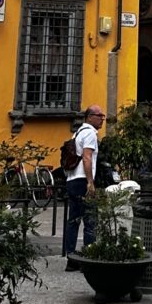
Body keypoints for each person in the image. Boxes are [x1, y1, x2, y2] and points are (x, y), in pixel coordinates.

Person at [63, 104, 104, 268]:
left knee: (73, 220)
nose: (102, 119)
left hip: (72, 180)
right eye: (99, 115)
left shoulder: (77, 133)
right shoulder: (90, 134)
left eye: (102, 116)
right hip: (82, 181)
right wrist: (90, 182)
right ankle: (88, 259)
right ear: (89, 117)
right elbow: (87, 158)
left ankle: (71, 259)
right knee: (90, 220)